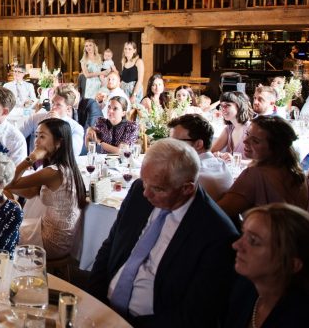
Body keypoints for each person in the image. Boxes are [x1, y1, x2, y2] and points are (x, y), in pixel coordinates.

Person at [88, 139, 239, 327]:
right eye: (145, 183)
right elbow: (110, 247)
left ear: (187, 188)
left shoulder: (217, 234)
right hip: (103, 308)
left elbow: (195, 314)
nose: (146, 194)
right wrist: (94, 300)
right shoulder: (139, 191)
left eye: (157, 189)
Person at [224, 204, 309, 327]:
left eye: (253, 241)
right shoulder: (245, 287)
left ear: (292, 264)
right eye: (243, 234)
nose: (236, 245)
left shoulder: (308, 320)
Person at [7, 118, 88, 259]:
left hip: (52, 242)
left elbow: (9, 181)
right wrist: (4, 188)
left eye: (42, 136)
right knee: (2, 221)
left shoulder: (54, 172)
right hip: (58, 236)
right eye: (36, 135)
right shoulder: (66, 166)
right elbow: (31, 191)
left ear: (58, 142)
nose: (36, 141)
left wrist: (31, 158)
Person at [217, 116, 309, 219]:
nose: (245, 141)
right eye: (247, 134)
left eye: (255, 141)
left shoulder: (255, 175)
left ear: (275, 148)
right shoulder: (299, 174)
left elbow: (219, 212)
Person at [168, 114, 233, 201]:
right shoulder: (221, 165)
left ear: (198, 144)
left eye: (176, 142)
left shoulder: (192, 176)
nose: (169, 147)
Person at [19, 84, 85, 156]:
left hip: (59, 166)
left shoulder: (76, 127)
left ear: (68, 108)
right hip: (33, 164)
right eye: (52, 103)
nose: (53, 107)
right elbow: (17, 138)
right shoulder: (35, 118)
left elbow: (74, 152)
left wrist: (59, 126)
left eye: (58, 105)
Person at [211, 91, 252, 157]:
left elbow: (259, 162)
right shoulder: (229, 129)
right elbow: (211, 152)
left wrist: (234, 160)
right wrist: (220, 155)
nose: (223, 109)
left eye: (227, 105)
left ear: (240, 106)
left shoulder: (251, 129)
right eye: (221, 106)